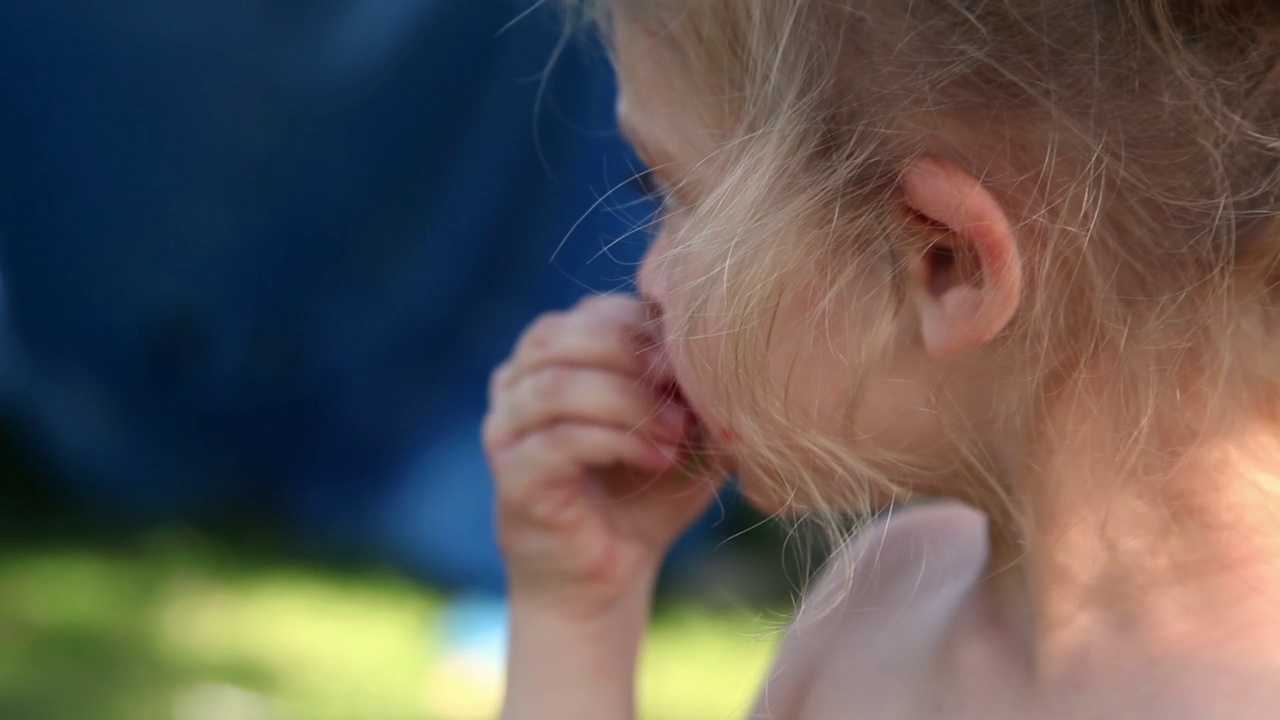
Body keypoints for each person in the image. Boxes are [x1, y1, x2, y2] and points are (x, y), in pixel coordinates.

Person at [484, 1, 1280, 718]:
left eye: (672, 192)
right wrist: (579, 616)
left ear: (943, 262)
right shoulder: (884, 602)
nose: (644, 282)